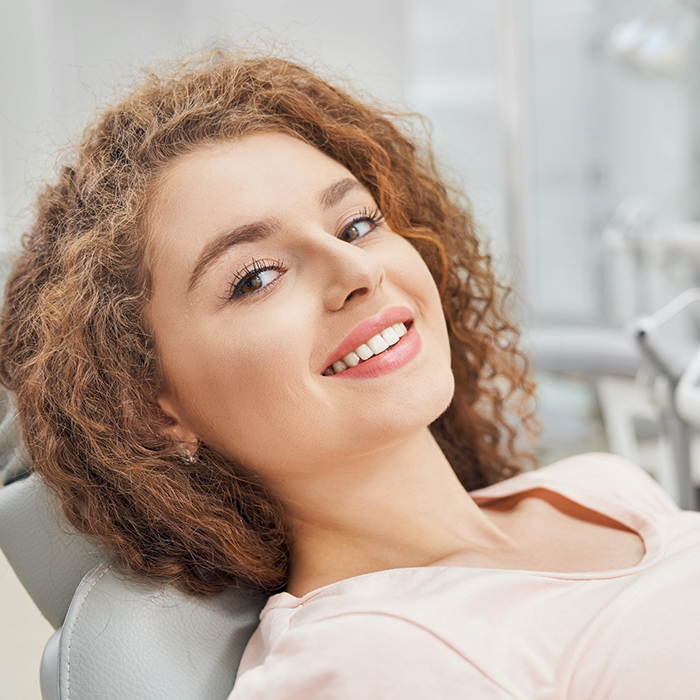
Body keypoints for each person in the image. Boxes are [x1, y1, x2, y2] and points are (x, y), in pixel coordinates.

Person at [0, 47, 699, 700]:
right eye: (256, 277)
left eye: (357, 225)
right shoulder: (358, 662)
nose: (358, 270)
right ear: (156, 410)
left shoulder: (595, 486)